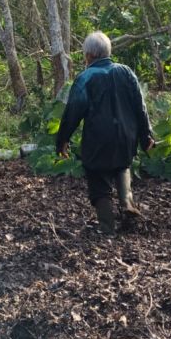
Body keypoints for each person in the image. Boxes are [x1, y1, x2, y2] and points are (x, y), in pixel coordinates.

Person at [56, 31, 154, 234]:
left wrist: (62, 140)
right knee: (122, 165)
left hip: (98, 139)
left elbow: (73, 111)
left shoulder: (85, 78)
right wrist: (147, 137)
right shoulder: (126, 72)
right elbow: (140, 106)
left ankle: (107, 229)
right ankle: (127, 202)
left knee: (98, 178)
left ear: (89, 56)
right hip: (126, 136)